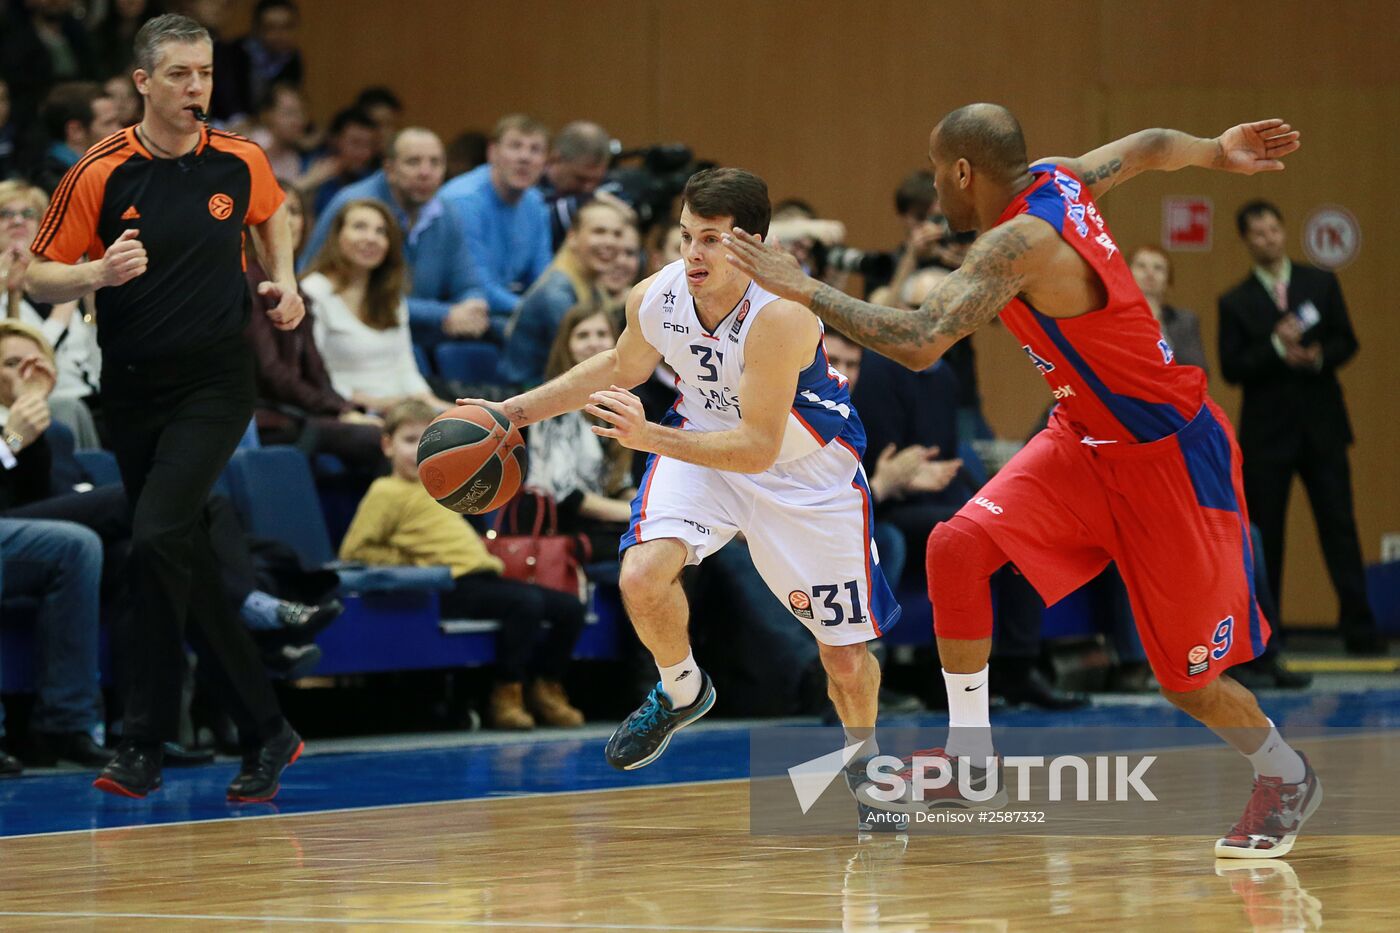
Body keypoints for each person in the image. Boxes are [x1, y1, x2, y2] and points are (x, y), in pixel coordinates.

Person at [724, 106, 1320, 859]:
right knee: (957, 546)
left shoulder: (1018, 241)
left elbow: (917, 340)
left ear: (964, 173)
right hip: (1081, 440)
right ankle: (973, 761)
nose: (936, 188)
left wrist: (802, 288)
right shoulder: (1060, 177)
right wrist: (1216, 150)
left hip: (1168, 459)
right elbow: (1148, 145)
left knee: (1188, 681)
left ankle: (1285, 773)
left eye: (938, 172)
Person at [461, 168, 903, 834]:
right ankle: (681, 688)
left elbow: (756, 446)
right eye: (685, 236)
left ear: (752, 244)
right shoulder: (656, 294)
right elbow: (618, 367)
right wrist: (509, 412)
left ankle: (864, 761)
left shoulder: (782, 314)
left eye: (712, 240)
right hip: (704, 451)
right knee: (641, 572)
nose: (692, 255)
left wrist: (647, 435)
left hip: (806, 474)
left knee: (842, 656)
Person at [23, 13, 304, 801]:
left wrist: (284, 279)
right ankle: (268, 730)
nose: (196, 89)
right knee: (176, 557)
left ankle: (140, 740)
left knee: (153, 538)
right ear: (143, 83)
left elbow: (272, 209)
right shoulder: (102, 170)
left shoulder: (239, 157)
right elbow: (38, 274)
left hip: (216, 382)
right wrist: (97, 277)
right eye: (180, 75)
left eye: (206, 73)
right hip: (133, 385)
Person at [339, 399, 587, 730]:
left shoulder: (444, 489)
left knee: (570, 607)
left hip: (483, 577)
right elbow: (354, 551)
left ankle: (547, 687)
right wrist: (415, 561)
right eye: (409, 441)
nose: (417, 452)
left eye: (425, 442)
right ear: (387, 445)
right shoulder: (385, 492)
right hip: (449, 584)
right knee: (525, 604)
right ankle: (505, 693)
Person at [1218, 201, 1382, 656]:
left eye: (1274, 229)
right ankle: (1270, 636)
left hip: (1323, 427)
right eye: (1258, 233)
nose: (1268, 238)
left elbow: (1347, 340)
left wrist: (1318, 357)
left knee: (1339, 527)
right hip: (1267, 436)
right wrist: (1275, 346)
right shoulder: (1234, 301)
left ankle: (1360, 630)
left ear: (1283, 231)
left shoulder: (1320, 283)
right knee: (1266, 536)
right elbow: (1232, 367)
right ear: (1247, 241)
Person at [299, 127, 488, 348]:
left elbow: (468, 281)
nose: (425, 172)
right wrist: (444, 314)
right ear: (389, 168)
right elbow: (354, 294)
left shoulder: (446, 212)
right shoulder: (353, 207)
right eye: (413, 162)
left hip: (427, 336)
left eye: (435, 163)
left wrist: (474, 305)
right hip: (359, 337)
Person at [247, 182, 383, 471]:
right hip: (267, 417)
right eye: (274, 211)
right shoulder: (248, 281)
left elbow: (316, 370)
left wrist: (345, 410)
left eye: (294, 211)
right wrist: (336, 411)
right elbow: (271, 373)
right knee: (382, 441)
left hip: (300, 412)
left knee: (398, 435)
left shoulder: (296, 288)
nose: (286, 220)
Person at [301, 198, 451, 413]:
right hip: (347, 409)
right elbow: (313, 373)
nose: (371, 238)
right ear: (337, 236)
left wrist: (431, 405)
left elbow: (405, 368)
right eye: (359, 227)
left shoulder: (391, 296)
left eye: (381, 231)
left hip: (401, 410)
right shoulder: (313, 291)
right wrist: (375, 403)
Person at [525, 304, 636, 555]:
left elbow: (619, 484)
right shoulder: (552, 407)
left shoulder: (618, 402)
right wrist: (633, 513)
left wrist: (650, 506)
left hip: (603, 523)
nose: (593, 343)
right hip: (563, 528)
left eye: (601, 334)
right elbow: (566, 495)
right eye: (583, 335)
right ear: (567, 346)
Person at [1, 180, 102, 444]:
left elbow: (92, 354)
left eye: (28, 214)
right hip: (38, 405)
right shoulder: (59, 297)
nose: (18, 221)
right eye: (6, 214)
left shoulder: (62, 284)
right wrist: (63, 309)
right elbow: (21, 359)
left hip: (91, 398)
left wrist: (89, 307)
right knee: (67, 409)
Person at [439, 114, 552, 335]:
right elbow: (476, 285)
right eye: (515, 146)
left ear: (545, 162)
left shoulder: (535, 202)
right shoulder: (463, 200)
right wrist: (534, 312)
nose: (524, 157)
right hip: (461, 309)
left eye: (535, 150)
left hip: (509, 308)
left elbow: (543, 279)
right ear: (492, 153)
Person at [499, 200, 628, 386]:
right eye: (599, 232)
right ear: (572, 237)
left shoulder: (591, 284)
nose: (609, 242)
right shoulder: (556, 294)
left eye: (617, 234)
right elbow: (576, 362)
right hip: (527, 394)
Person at [1130, 245, 1208, 373]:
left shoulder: (1185, 321)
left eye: (1158, 268)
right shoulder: (1115, 320)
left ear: (1169, 281)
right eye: (1141, 266)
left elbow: (1198, 370)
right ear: (1127, 274)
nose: (1150, 273)